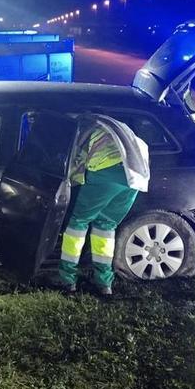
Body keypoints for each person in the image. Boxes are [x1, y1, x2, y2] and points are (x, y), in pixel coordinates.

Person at [60, 117, 150, 295]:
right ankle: (104, 284)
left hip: (106, 172)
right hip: (135, 177)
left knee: (77, 222)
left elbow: (74, 162)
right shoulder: (114, 124)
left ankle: (67, 280)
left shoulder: (83, 126)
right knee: (106, 225)